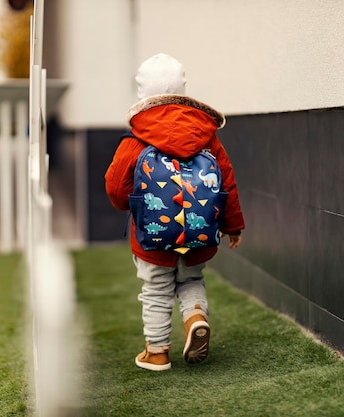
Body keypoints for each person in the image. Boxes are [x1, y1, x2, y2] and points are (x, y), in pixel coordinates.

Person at [104, 53, 245, 371]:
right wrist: (232, 225)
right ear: (182, 91)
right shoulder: (205, 133)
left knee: (155, 288)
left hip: (153, 235)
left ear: (143, 95)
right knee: (191, 279)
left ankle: (156, 353)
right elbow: (226, 180)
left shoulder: (137, 137)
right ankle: (195, 318)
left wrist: (133, 204)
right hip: (198, 233)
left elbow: (115, 187)